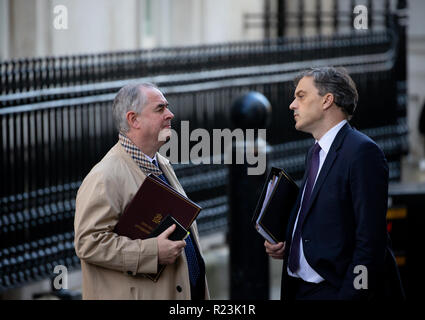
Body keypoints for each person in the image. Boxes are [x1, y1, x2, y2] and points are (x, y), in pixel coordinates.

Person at [265, 67, 404, 300]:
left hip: (337, 290)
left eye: (301, 96)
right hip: (300, 289)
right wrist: (292, 244)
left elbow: (370, 242)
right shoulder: (315, 152)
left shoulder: (362, 152)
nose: (292, 105)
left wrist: (351, 294)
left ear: (327, 100)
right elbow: (328, 220)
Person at [74, 83, 209, 300]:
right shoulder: (104, 176)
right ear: (133, 120)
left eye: (167, 107)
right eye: (160, 109)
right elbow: (88, 243)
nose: (170, 114)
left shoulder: (161, 164)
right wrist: (152, 252)